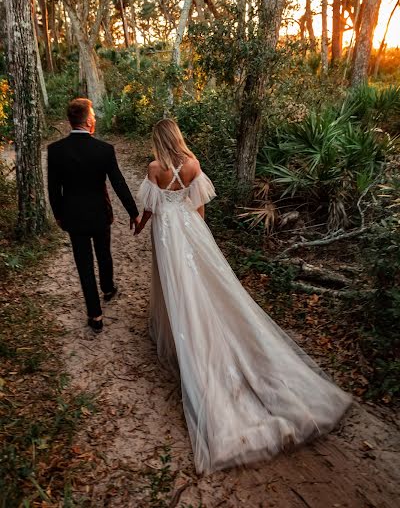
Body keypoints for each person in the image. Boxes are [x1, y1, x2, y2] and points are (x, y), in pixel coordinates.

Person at [135, 118, 351, 474]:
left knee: (176, 285)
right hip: (189, 228)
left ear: (158, 140)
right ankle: (191, 332)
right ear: (177, 136)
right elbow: (199, 205)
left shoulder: (155, 167)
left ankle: (184, 338)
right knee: (201, 283)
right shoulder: (192, 164)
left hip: (167, 234)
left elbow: (151, 208)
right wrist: (202, 239)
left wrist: (141, 226)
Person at [47, 98, 139, 332]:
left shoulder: (56, 150)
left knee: (84, 264)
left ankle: (95, 315)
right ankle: (108, 288)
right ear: (88, 122)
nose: (95, 118)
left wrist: (58, 214)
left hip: (73, 216)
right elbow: (118, 183)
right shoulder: (104, 150)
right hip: (99, 214)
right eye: (94, 116)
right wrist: (133, 212)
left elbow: (53, 188)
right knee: (104, 253)